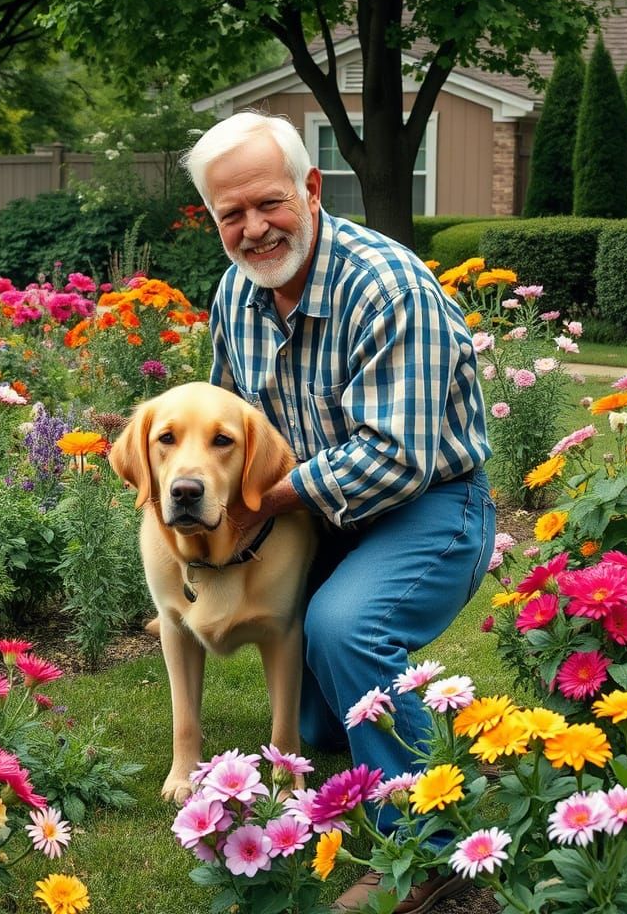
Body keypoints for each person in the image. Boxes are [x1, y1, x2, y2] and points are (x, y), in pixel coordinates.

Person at [183, 111, 495, 913]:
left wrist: (253, 504)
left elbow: (397, 456)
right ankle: (449, 749)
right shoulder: (236, 292)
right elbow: (225, 419)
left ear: (312, 189)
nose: (254, 229)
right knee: (324, 729)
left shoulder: (386, 288)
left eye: (269, 203)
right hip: (320, 515)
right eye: (231, 214)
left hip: (432, 504)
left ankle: (425, 852)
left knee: (343, 631)